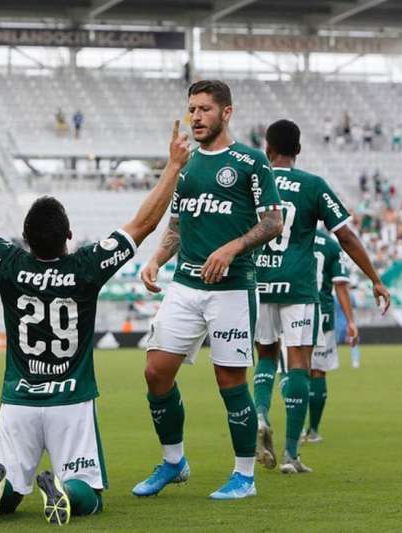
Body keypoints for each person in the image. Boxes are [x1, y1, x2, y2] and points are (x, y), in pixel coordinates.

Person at [0, 116, 188, 525]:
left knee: (10, 495)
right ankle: (62, 488)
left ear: (24, 236)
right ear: (68, 235)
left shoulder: (8, 262)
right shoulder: (87, 267)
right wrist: (174, 167)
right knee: (88, 493)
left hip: (18, 401)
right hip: (70, 401)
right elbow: (142, 226)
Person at [133, 80, 283, 501]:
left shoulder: (251, 162)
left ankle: (244, 477)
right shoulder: (188, 166)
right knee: (155, 372)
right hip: (185, 285)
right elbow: (178, 223)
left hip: (233, 289)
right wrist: (156, 259)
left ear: (227, 113)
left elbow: (274, 223)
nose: (195, 117)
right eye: (192, 109)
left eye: (204, 109)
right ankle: (174, 462)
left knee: (230, 380)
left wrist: (233, 248)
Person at [252, 120, 390, 474]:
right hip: (298, 286)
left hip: (260, 282)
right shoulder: (313, 185)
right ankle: (290, 456)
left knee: (266, 355)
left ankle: (260, 414)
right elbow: (345, 235)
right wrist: (374, 278)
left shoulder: (254, 181)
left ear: (267, 149)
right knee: (299, 362)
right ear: (298, 150)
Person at [303, 229, 359, 443]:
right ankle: (313, 430)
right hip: (322, 315)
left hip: (291, 308)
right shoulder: (331, 244)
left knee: (293, 370)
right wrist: (351, 321)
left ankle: (294, 429)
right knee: (318, 371)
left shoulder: (295, 237)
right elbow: (341, 285)